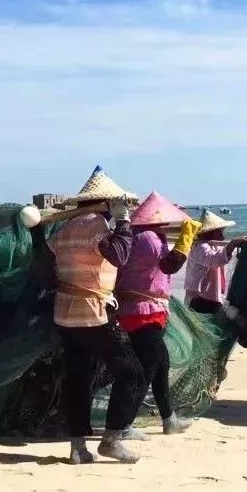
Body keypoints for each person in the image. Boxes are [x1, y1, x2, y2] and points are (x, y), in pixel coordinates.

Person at [44, 166, 145, 464]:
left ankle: (78, 447)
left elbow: (48, 264)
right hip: (95, 313)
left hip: (65, 314)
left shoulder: (64, 229)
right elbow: (120, 255)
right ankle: (111, 440)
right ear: (108, 203)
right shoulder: (95, 224)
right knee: (132, 372)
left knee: (78, 378)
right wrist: (124, 222)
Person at [114, 192, 202, 438]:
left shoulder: (143, 235)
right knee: (148, 368)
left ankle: (168, 418)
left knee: (161, 364)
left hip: (141, 309)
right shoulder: (149, 238)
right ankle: (123, 425)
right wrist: (186, 236)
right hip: (142, 311)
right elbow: (169, 265)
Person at [184, 209, 247, 316]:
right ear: (211, 232)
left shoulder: (211, 245)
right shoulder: (200, 247)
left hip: (209, 297)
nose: (223, 235)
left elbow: (221, 255)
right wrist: (232, 243)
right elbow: (214, 260)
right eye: (220, 232)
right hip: (198, 299)